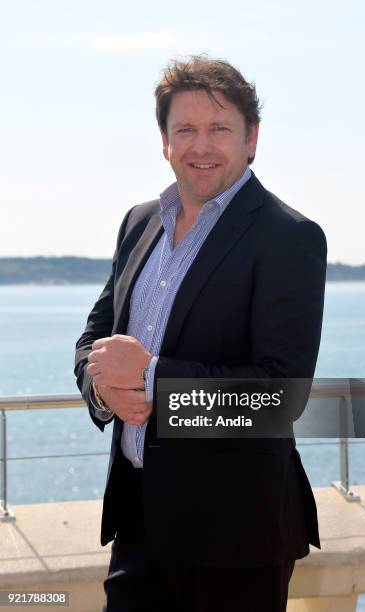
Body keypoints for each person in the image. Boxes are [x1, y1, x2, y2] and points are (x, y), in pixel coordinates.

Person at [75, 55, 327, 612]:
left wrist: (151, 381)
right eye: (185, 129)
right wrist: (103, 387)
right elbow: (94, 339)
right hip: (137, 524)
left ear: (252, 137)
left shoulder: (289, 237)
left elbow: (278, 399)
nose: (201, 145)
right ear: (164, 141)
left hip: (235, 538)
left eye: (219, 129)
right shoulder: (140, 221)